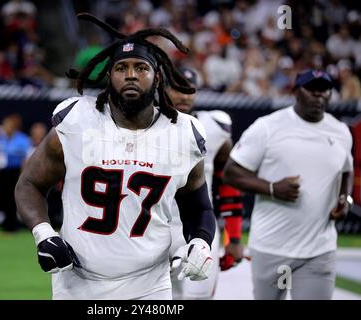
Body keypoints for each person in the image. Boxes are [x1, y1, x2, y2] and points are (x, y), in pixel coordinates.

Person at [15, 13, 217, 300]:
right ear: (109, 76)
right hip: (78, 282)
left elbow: (199, 208)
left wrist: (201, 241)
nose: (131, 74)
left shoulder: (184, 133)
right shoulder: (77, 120)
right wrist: (44, 234)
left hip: (151, 285)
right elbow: (29, 184)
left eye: (141, 67)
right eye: (121, 67)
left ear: (157, 76)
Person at [223, 69, 354, 300]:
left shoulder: (341, 131)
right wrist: (272, 188)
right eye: (311, 89)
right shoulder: (268, 127)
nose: (318, 95)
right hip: (273, 249)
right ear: (295, 92)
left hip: (319, 250)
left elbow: (347, 170)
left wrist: (345, 199)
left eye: (324, 90)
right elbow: (232, 172)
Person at [166, 67, 244, 299]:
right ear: (161, 87)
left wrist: (235, 237)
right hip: (151, 230)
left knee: (197, 296)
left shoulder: (214, 128)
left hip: (197, 229)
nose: (184, 95)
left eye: (190, 89)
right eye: (178, 88)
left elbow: (228, 185)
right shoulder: (145, 126)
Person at [0, 113, 31, 232]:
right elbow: (0, 155)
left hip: (16, 172)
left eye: (7, 124)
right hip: (4, 172)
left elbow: (25, 158)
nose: (5, 126)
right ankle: (6, 223)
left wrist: (23, 174)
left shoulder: (22, 139)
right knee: (4, 198)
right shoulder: (2, 138)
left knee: (13, 199)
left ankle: (13, 225)